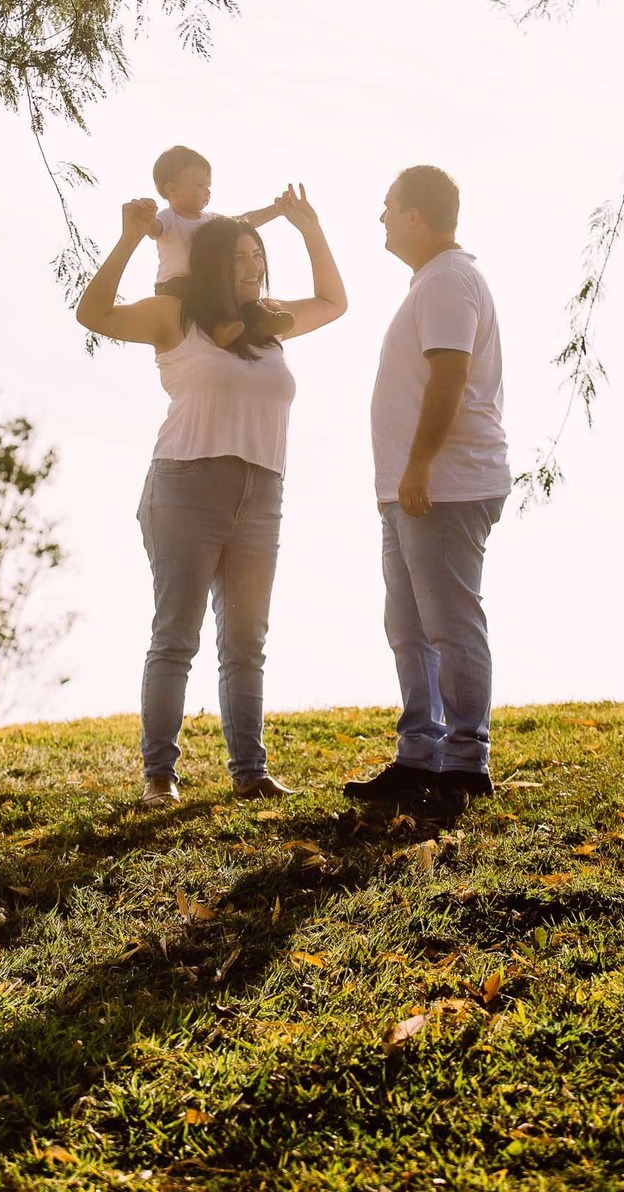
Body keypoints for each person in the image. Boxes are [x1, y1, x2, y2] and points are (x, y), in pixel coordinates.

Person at [77, 184, 346, 807]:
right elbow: (94, 313)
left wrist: (308, 228)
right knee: (177, 636)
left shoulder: (269, 322)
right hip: (186, 486)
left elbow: (334, 302)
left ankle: (250, 772)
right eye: (239, 257)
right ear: (212, 262)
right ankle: (159, 775)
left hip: (263, 491)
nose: (252, 267)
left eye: (258, 257)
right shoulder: (174, 315)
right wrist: (127, 239)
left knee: (246, 641)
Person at [344, 165, 510, 816]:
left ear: (415, 214)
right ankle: (419, 756)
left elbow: (449, 378)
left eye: (388, 206)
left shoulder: (448, 281)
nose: (382, 218)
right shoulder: (432, 283)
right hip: (409, 489)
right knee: (409, 627)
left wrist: (418, 465)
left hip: (443, 486)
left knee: (449, 624)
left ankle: (465, 764)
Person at [147, 144, 292, 349]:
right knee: (198, 296)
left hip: (205, 283)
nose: (207, 192)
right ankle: (220, 330)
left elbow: (245, 221)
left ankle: (260, 319)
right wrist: (145, 220)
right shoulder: (169, 218)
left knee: (232, 292)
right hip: (174, 286)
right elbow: (155, 229)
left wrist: (276, 209)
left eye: (208, 186)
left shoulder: (210, 220)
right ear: (172, 189)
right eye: (200, 186)